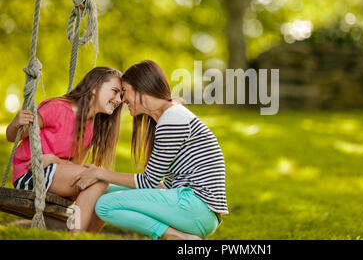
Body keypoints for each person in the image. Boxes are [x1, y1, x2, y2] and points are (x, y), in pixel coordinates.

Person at [72, 60, 229, 240]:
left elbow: (148, 181)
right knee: (102, 190)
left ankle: (176, 237)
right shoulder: (167, 118)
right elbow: (162, 184)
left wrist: (100, 173)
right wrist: (104, 180)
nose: (122, 100)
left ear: (141, 88)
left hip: (197, 209)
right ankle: (82, 236)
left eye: (124, 92)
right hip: (194, 209)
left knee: (105, 205)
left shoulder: (172, 119)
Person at [6, 66, 123, 232]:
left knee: (104, 198)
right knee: (99, 180)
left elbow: (74, 165)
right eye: (115, 91)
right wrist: (16, 122)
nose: (118, 100)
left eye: (121, 95)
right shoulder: (58, 108)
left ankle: (84, 235)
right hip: (31, 174)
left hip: (55, 175)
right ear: (95, 88)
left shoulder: (92, 127)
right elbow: (13, 136)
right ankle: (76, 237)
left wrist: (55, 159)